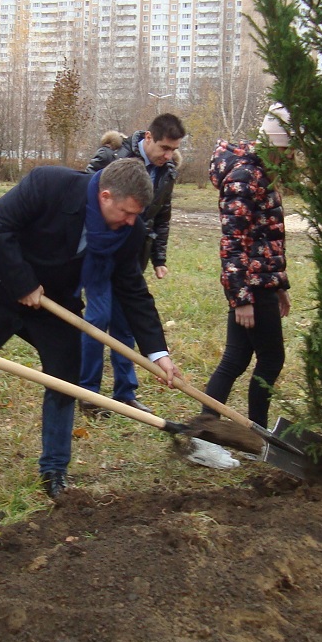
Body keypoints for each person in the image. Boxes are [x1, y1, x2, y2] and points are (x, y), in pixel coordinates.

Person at [0, 158, 177, 499]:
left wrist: (157, 352)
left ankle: (54, 468)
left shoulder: (130, 232)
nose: (131, 222)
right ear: (105, 195)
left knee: (65, 383)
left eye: (136, 215)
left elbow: (133, 292)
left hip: (56, 305)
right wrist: (22, 282)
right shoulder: (49, 184)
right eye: (127, 213)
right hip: (0, 284)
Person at [79, 114, 186, 417]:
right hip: (100, 254)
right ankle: (88, 393)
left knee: (125, 325)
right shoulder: (112, 156)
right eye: (164, 148)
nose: (168, 155)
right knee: (97, 319)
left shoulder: (167, 174)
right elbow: (83, 195)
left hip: (132, 254)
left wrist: (159, 258)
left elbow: (162, 217)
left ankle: (125, 393)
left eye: (173, 150)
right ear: (148, 137)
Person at [201, 104, 292, 431]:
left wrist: (279, 284)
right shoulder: (244, 176)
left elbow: (267, 235)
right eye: (290, 149)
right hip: (251, 285)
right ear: (277, 144)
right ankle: (258, 434)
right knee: (271, 360)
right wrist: (241, 299)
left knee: (236, 359)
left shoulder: (260, 171)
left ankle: (206, 429)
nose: (292, 157)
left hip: (261, 282)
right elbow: (233, 242)